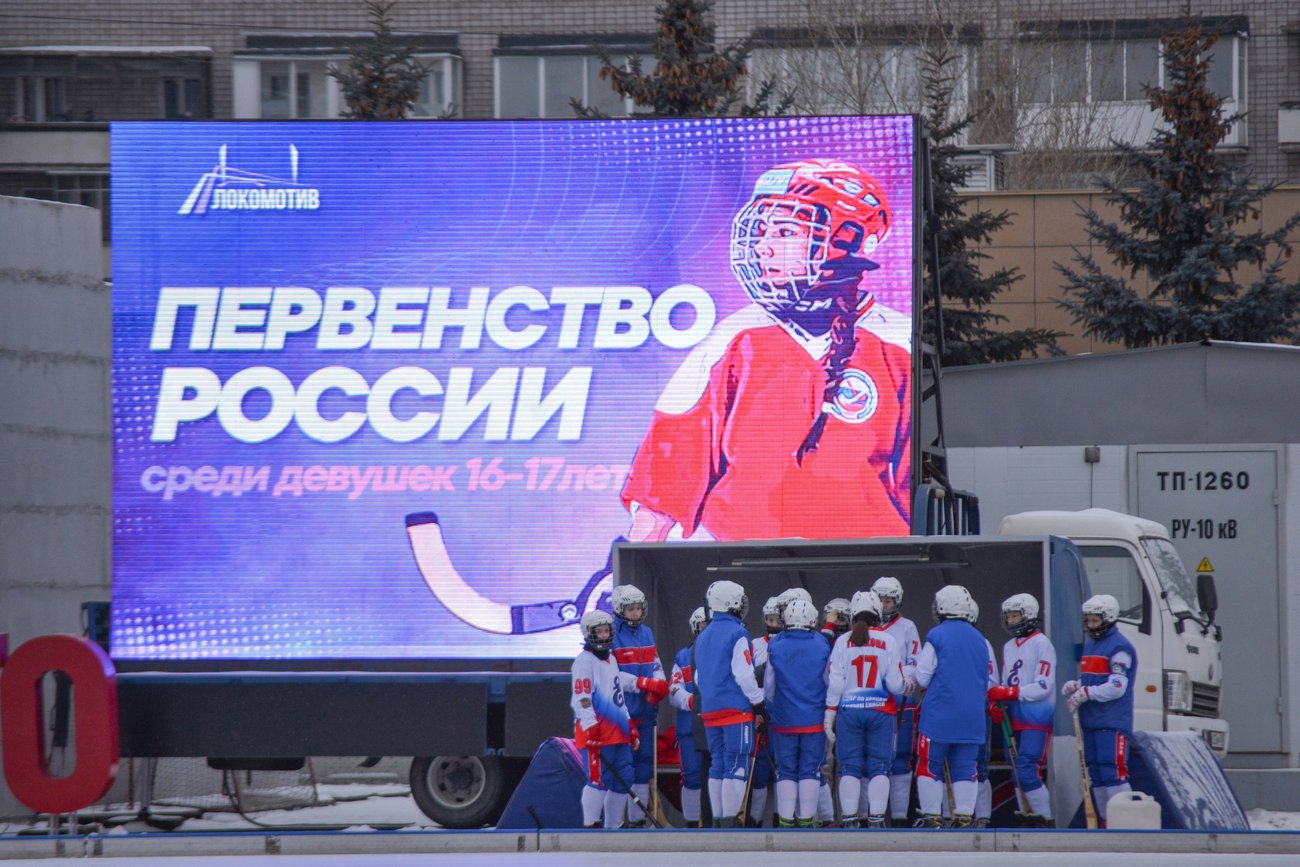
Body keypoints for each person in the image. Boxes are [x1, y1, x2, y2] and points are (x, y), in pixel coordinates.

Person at [621, 159, 912, 544]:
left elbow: (914, 488)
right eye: (760, 232)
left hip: (864, 573)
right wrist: (633, 566)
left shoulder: (899, 344)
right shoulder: (734, 340)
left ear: (851, 239)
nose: (764, 248)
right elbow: (665, 481)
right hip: (738, 573)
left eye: (786, 231)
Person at [911, 585, 997, 828]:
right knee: (966, 766)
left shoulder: (937, 635)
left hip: (940, 713)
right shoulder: (980, 639)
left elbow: (923, 676)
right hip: (973, 715)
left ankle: (931, 816)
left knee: (930, 764)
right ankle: (964, 816)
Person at [825, 590, 907, 828]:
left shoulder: (842, 641)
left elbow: (836, 681)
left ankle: (850, 819)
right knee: (880, 766)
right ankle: (877, 819)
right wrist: (906, 685)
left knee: (849, 767)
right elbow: (895, 684)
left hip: (849, 711)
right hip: (881, 712)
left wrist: (830, 711)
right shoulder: (889, 641)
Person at [694, 579, 766, 827]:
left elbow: (698, 676)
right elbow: (744, 674)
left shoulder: (703, 635)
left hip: (710, 710)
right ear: (732, 602)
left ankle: (717, 819)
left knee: (718, 764)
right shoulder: (738, 633)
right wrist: (758, 702)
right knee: (736, 763)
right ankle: (730, 820)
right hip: (736, 710)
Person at [1062, 594, 1136, 826]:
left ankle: (1125, 821)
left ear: (1109, 619)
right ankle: (1105, 821)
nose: (1091, 625)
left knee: (1112, 771)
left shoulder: (1120, 647)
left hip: (1111, 721)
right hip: (1091, 720)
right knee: (1096, 774)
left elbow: (1117, 686)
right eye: (1089, 621)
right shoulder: (1091, 644)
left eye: (1095, 621)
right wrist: (1079, 684)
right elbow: (1095, 677)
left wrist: (1087, 693)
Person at [988, 592, 1057, 827]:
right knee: (1016, 770)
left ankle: (1044, 817)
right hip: (1014, 717)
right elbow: (1008, 681)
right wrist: (998, 703)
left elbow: (1043, 685)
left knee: (1027, 766)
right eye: (1008, 616)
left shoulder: (1041, 644)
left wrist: (1010, 694)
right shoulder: (1009, 646)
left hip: (1036, 718)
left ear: (1028, 615)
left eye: (1015, 616)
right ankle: (1027, 813)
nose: (1011, 621)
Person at [764, 597, 831, 827]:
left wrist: (775, 710)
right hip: (814, 719)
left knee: (786, 770)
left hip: (784, 719)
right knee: (810, 770)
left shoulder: (775, 645)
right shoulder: (822, 645)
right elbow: (828, 681)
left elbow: (769, 686)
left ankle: (785, 819)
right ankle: (806, 819)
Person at [610, 584, 670, 826]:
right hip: (621, 712)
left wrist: (660, 683)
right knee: (623, 766)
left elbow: (655, 663)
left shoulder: (647, 633)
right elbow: (612, 677)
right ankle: (616, 821)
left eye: (638, 608)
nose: (635, 613)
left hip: (646, 711)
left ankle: (638, 819)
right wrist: (643, 683)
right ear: (619, 609)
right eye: (630, 609)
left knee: (645, 765)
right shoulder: (612, 635)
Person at [571, 610, 637, 828]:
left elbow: (618, 696)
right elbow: (582, 698)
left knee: (624, 778)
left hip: (617, 732)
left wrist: (629, 725)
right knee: (599, 779)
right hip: (596, 732)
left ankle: (613, 825)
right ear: (589, 634)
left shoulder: (611, 660)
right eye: (598, 632)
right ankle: (591, 824)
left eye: (606, 630)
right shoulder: (584, 661)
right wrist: (590, 726)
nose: (603, 635)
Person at [871, 575, 921, 825]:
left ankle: (900, 817)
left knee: (901, 757)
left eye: (888, 601)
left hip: (901, 701)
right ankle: (872, 815)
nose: (883, 605)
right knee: (874, 757)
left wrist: (905, 679)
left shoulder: (907, 626)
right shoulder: (863, 626)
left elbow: (915, 660)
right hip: (873, 701)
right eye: (880, 600)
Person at [668, 606, 708, 827]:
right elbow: (673, 690)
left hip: (715, 724)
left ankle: (716, 822)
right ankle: (691, 825)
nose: (706, 629)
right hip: (690, 727)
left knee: (717, 775)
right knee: (692, 775)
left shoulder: (723, 653)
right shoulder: (683, 656)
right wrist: (692, 701)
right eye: (703, 625)